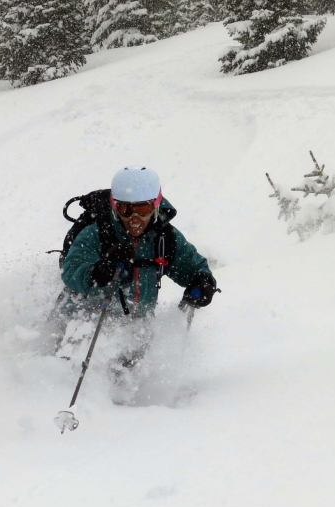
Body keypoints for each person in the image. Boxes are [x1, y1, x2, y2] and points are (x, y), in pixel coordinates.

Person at [51, 166, 218, 401]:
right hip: (83, 327)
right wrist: (98, 272)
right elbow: (71, 271)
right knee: (70, 384)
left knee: (125, 388)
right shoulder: (97, 233)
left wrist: (202, 280)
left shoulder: (164, 237)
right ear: (114, 206)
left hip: (136, 331)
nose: (134, 218)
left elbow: (192, 265)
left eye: (142, 209)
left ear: (156, 205)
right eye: (125, 209)